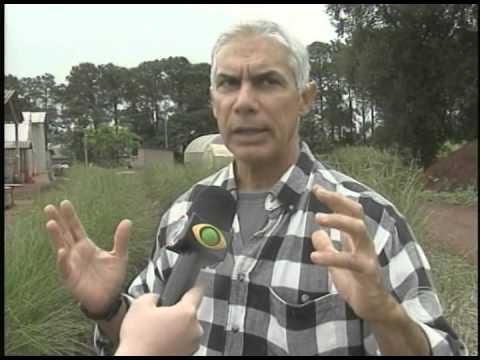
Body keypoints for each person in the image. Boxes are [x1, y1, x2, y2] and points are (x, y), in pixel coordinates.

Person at [45, 19, 466, 356]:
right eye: (229, 83)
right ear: (213, 102)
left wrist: (385, 314)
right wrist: (106, 307)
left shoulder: (364, 221)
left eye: (267, 81)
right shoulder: (184, 212)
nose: (244, 102)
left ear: (305, 98)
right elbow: (142, 335)